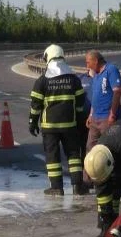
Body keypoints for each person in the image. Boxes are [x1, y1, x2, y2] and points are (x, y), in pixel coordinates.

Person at [29, 44, 88, 196]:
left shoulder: (42, 81)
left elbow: (36, 105)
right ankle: (77, 186)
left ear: (48, 58)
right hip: (70, 125)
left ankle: (56, 187)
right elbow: (81, 102)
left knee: (52, 156)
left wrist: (32, 122)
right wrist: (80, 120)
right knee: (74, 155)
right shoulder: (74, 79)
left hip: (50, 127)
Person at [84, 50, 121, 152]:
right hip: (95, 118)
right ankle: (90, 168)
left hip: (107, 118)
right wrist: (91, 115)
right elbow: (95, 96)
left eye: (88, 62)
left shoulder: (111, 70)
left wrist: (112, 115)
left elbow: (117, 92)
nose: (87, 66)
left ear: (96, 61)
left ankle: (112, 168)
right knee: (91, 148)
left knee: (109, 148)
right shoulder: (96, 74)